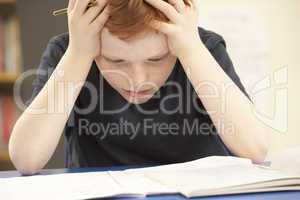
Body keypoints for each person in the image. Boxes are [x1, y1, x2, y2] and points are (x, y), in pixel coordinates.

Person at [9, 0, 268, 175]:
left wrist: (191, 49)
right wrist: (79, 54)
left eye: (156, 59)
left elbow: (255, 148)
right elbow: (26, 159)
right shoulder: (72, 52)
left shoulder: (200, 48)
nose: (138, 78)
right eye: (116, 60)